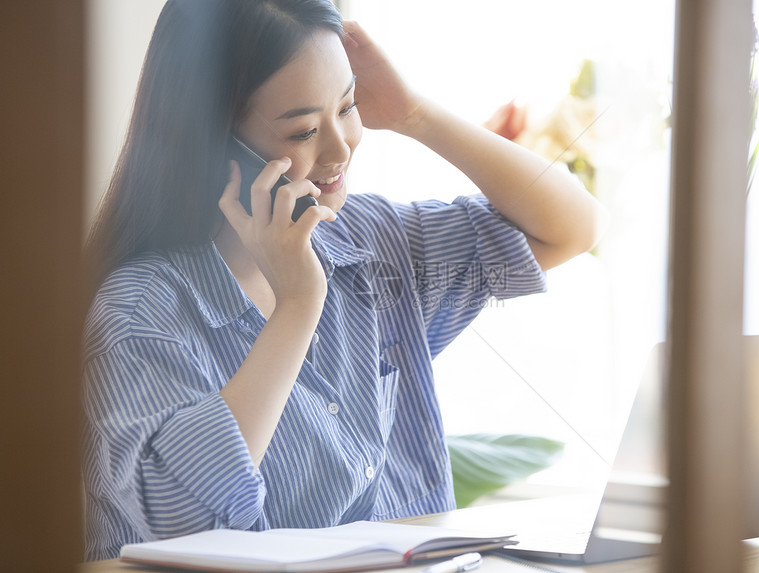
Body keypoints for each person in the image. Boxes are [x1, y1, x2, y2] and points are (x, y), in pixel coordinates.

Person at [82, 0, 609, 562]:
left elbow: (570, 229)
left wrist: (414, 116)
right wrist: (298, 306)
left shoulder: (370, 239)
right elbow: (184, 523)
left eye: (348, 106)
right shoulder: (139, 315)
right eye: (305, 129)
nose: (341, 149)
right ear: (216, 144)